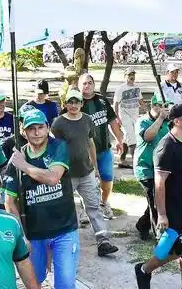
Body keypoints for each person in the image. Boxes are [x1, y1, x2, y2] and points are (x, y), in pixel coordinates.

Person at [3, 110, 80, 287]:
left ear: (47, 128)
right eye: (31, 129)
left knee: (66, 284)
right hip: (34, 234)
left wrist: (24, 166)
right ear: (24, 131)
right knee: (33, 281)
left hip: (64, 229)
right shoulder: (16, 159)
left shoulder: (58, 147)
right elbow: (9, 202)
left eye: (40, 127)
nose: (37, 132)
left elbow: (53, 178)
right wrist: (21, 236)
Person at [135, 99, 182, 289]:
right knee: (175, 249)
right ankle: (144, 269)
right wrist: (162, 214)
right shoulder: (166, 146)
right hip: (174, 207)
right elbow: (159, 183)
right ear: (178, 121)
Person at [51, 89, 119, 257]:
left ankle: (103, 241)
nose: (73, 105)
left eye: (77, 102)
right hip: (67, 174)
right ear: (65, 104)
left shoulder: (87, 120)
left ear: (82, 104)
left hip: (86, 172)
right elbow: (53, 148)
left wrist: (95, 166)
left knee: (94, 206)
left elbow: (90, 143)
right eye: (70, 102)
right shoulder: (58, 123)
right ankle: (62, 242)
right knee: (65, 208)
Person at [78, 73, 125, 220]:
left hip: (104, 149)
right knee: (87, 181)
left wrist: (119, 139)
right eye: (84, 83)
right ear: (79, 85)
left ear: (94, 84)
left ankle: (104, 203)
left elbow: (112, 122)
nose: (87, 86)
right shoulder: (75, 103)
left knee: (107, 178)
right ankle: (86, 208)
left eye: (90, 82)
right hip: (84, 152)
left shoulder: (102, 101)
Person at [133, 94, 171, 241]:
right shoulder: (142, 122)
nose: (162, 109)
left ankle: (142, 225)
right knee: (155, 201)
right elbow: (148, 136)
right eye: (159, 106)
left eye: (164, 106)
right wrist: (160, 118)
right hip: (145, 169)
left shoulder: (168, 123)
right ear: (152, 106)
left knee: (158, 200)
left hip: (161, 169)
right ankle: (159, 237)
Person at [113, 67, 144, 168]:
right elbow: (116, 104)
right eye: (129, 75)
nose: (132, 77)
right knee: (132, 137)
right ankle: (137, 162)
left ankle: (122, 159)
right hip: (124, 116)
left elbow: (140, 101)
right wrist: (117, 117)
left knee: (127, 138)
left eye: (133, 75)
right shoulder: (121, 89)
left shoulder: (137, 87)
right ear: (125, 76)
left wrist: (147, 111)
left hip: (135, 115)